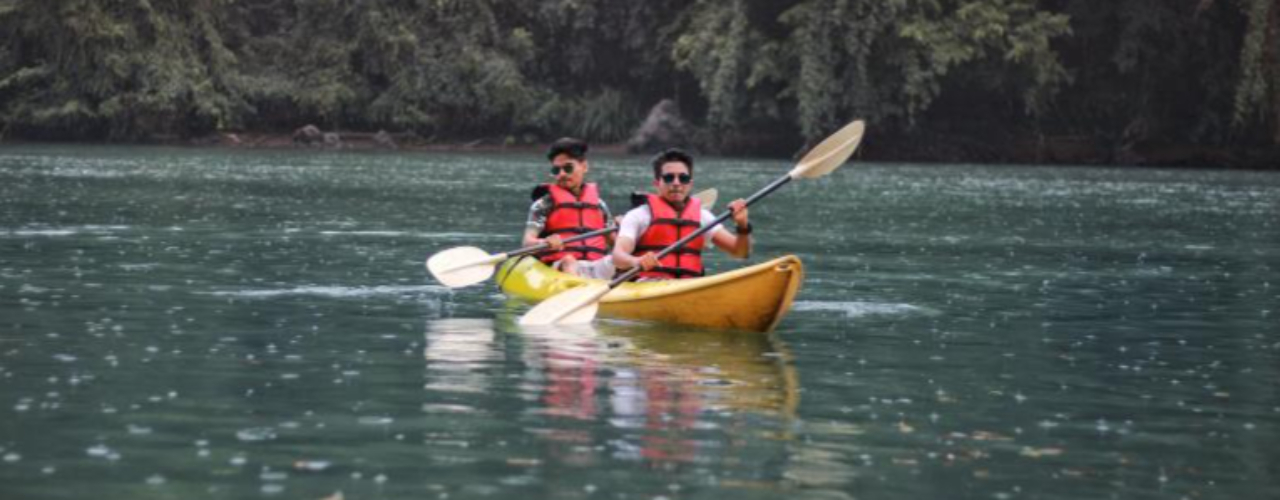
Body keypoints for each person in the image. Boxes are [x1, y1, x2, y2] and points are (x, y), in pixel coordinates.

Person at [613, 149, 751, 279]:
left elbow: (740, 252)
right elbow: (618, 256)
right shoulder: (639, 215)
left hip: (689, 285)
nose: (676, 183)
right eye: (669, 177)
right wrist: (636, 261)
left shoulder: (703, 217)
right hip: (647, 285)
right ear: (657, 183)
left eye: (683, 178)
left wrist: (743, 225)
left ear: (690, 184)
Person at [523, 137, 616, 279]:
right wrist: (544, 242)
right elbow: (527, 242)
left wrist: (625, 229)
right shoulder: (543, 204)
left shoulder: (599, 205)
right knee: (569, 261)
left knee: (619, 260)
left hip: (595, 265)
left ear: (584, 167)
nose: (562, 174)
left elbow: (615, 243)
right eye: (556, 170)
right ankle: (577, 287)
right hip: (561, 266)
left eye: (568, 168)